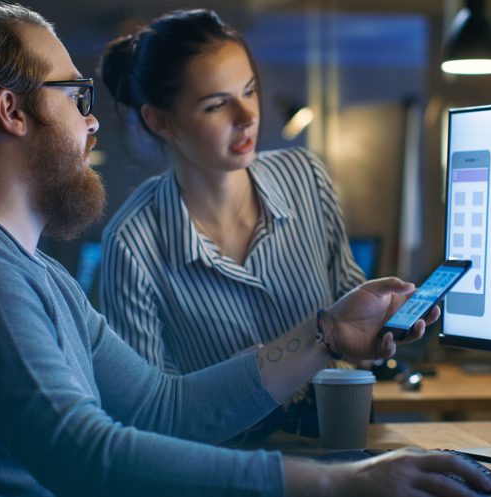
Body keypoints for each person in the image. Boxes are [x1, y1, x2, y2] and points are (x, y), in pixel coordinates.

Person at [0, 2, 491, 496]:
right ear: (11, 111)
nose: (92, 120)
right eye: (76, 97)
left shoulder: (17, 265)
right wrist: (336, 484)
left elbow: (164, 408)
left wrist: (327, 333)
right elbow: (85, 458)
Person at [97, 8, 364, 437]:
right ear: (159, 120)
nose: (247, 117)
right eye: (217, 104)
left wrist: (381, 324)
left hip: (338, 437)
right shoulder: (133, 244)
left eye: (250, 91)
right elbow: (147, 418)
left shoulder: (306, 177)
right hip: (226, 467)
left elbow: (348, 299)